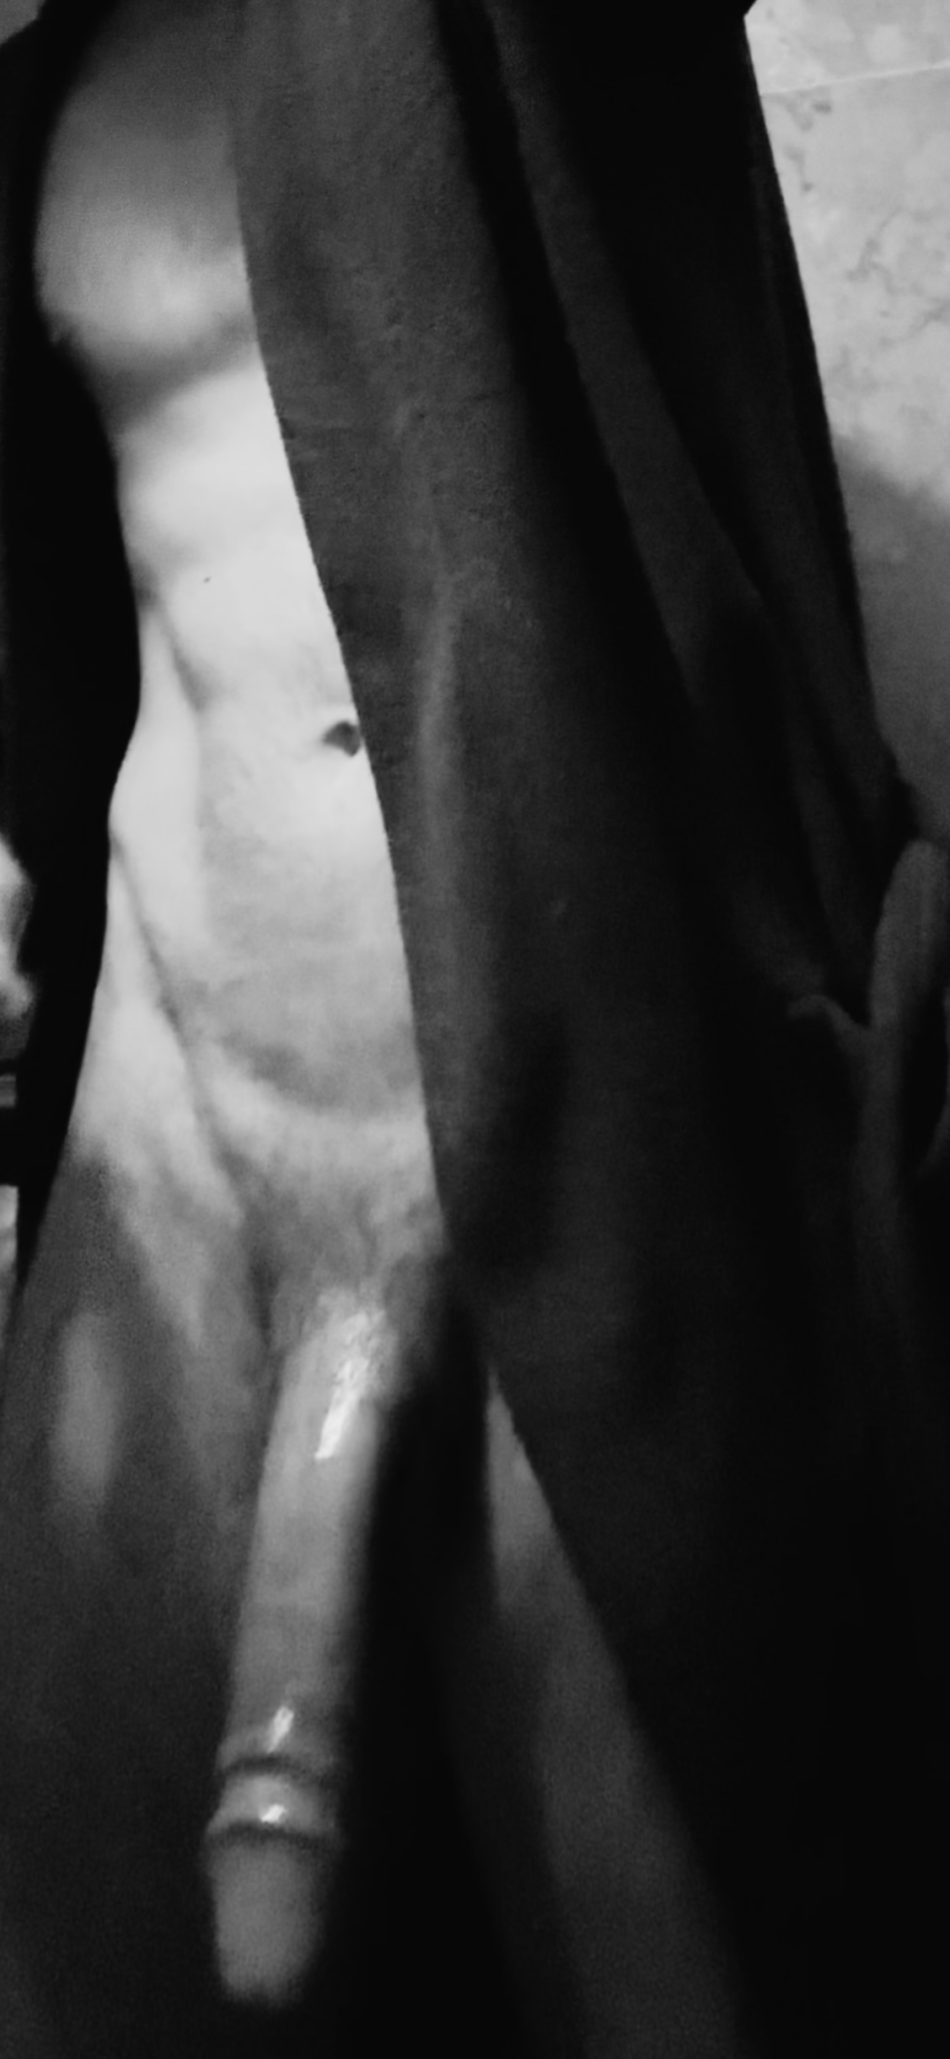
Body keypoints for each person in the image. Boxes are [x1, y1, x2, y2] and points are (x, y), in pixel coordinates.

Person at [0, 2, 947, 2055]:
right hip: (168, 1108)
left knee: (695, 1949)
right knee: (96, 1960)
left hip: (563, 1099)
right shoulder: (53, 85)